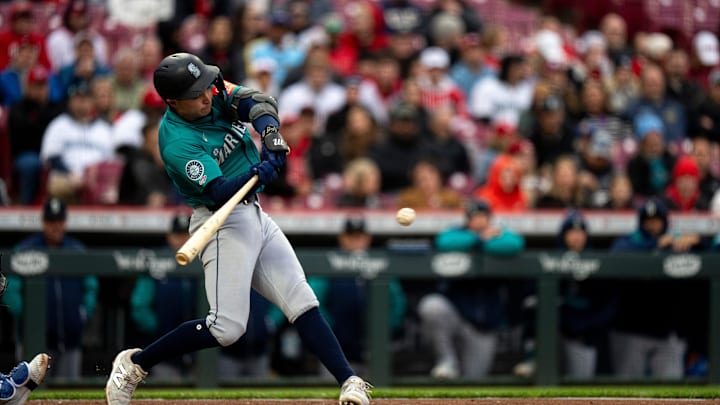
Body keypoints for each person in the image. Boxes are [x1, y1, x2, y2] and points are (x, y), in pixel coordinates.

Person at [104, 53, 371, 405]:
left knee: (301, 300)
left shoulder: (210, 92)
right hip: (220, 220)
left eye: (205, 88)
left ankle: (350, 381)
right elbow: (219, 191)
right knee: (226, 328)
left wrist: (270, 134)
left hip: (254, 213)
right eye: (195, 94)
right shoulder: (176, 142)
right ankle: (135, 364)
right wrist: (259, 171)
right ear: (172, 102)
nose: (206, 96)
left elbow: (258, 101)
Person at [417, 198, 525, 379]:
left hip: (483, 327)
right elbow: (444, 241)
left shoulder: (499, 233)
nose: (480, 220)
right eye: (475, 216)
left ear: (490, 218)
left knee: (474, 380)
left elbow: (515, 243)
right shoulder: (458, 233)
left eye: (483, 216)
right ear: (467, 219)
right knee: (432, 306)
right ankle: (447, 361)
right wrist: (478, 238)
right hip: (456, 316)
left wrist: (485, 240)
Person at [609, 198, 703, 378]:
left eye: (657, 221)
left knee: (671, 391)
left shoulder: (677, 242)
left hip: (668, 333)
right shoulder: (629, 242)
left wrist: (697, 242)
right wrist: (656, 244)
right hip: (631, 330)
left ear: (665, 221)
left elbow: (705, 253)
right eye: (648, 221)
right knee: (626, 391)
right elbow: (617, 254)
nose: (652, 225)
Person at [9, 198, 98, 379]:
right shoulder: (26, 248)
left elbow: (91, 286)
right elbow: (10, 289)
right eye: (51, 222)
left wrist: (83, 313)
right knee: (31, 392)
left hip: (70, 340)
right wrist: (27, 315)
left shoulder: (76, 250)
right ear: (43, 222)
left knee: (69, 393)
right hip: (34, 344)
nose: (56, 227)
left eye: (59, 221)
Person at [307, 216, 406, 375]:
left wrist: (383, 330)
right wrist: (330, 332)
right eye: (351, 236)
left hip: (374, 351)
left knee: (377, 396)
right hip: (337, 351)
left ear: (368, 238)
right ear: (342, 238)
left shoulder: (379, 263)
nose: (355, 241)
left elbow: (397, 303)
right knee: (330, 396)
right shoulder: (329, 263)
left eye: (359, 236)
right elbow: (313, 301)